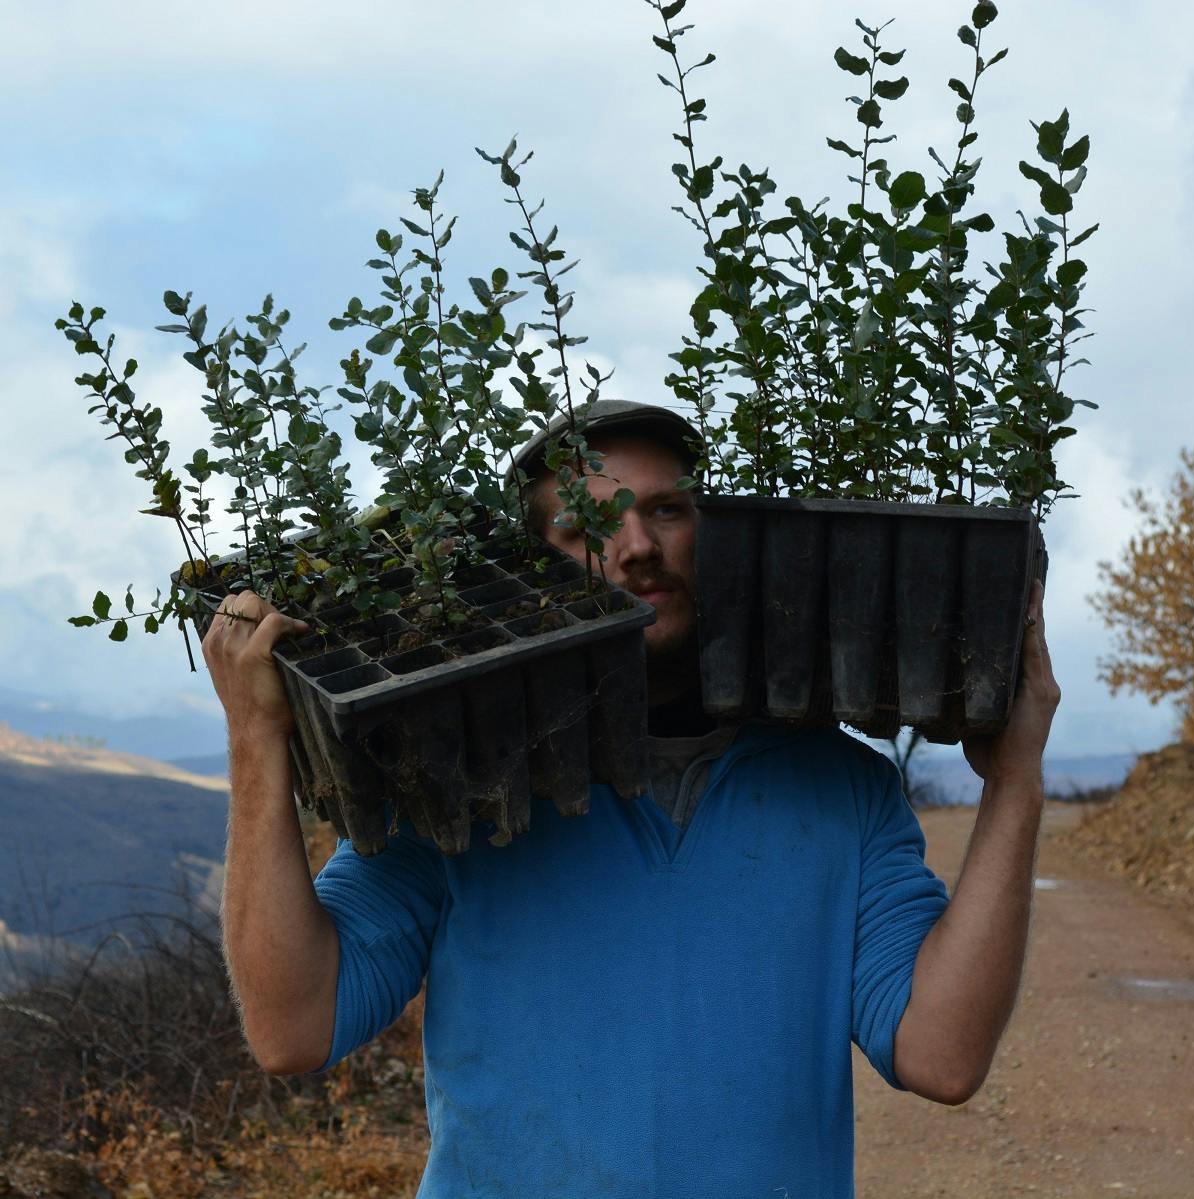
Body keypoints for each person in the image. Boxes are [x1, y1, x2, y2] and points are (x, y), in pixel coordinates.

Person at [202, 400, 1061, 1197]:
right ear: (528, 573)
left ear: (719, 534)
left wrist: (1015, 779)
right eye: (586, 525)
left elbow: (943, 1055)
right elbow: (294, 1026)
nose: (636, 544)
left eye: (669, 509)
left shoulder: (842, 786)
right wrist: (255, 742)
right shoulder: (464, 782)